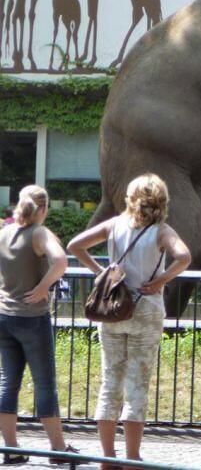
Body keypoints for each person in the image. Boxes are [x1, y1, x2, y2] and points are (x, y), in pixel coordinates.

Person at [68, 174, 191, 470]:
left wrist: (101, 272)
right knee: (137, 384)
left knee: (110, 381)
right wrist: (161, 280)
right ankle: (132, 458)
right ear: (161, 200)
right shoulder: (161, 231)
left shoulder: (113, 225)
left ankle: (107, 456)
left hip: (113, 308)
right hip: (145, 307)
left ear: (130, 198)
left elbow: (75, 245)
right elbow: (184, 256)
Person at [0, 185, 79, 465]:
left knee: (8, 382)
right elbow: (61, 260)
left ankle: (10, 448)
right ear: (43, 208)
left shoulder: (5, 232)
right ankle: (57, 450)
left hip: (4, 317)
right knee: (44, 383)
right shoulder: (38, 233)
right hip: (33, 317)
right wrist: (44, 286)